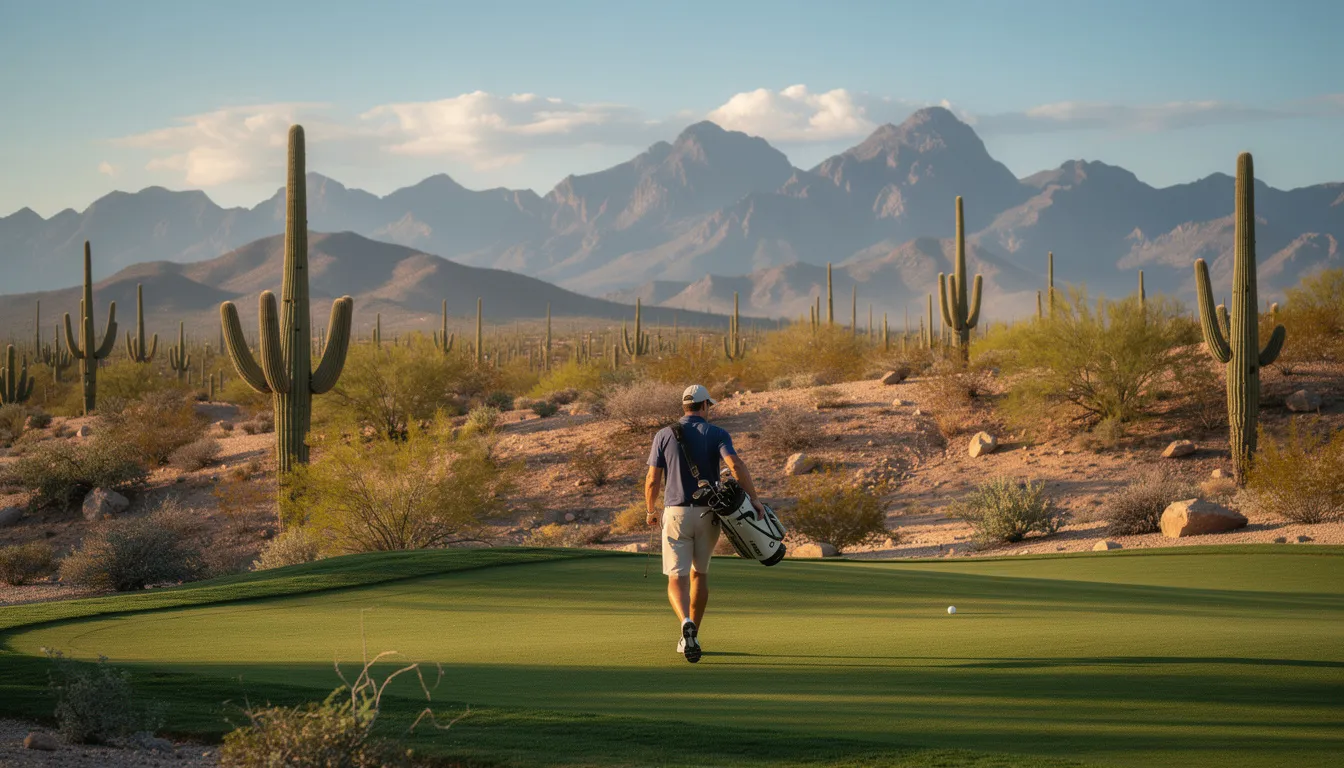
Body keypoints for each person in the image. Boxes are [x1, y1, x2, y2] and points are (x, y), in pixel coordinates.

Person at [645, 384, 764, 663]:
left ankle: (684, 622)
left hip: (675, 513)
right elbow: (735, 466)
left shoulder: (663, 435)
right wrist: (754, 499)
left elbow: (652, 480)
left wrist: (650, 510)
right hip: (709, 514)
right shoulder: (717, 433)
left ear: (685, 406)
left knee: (677, 576)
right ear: (705, 406)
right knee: (700, 574)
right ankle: (693, 633)